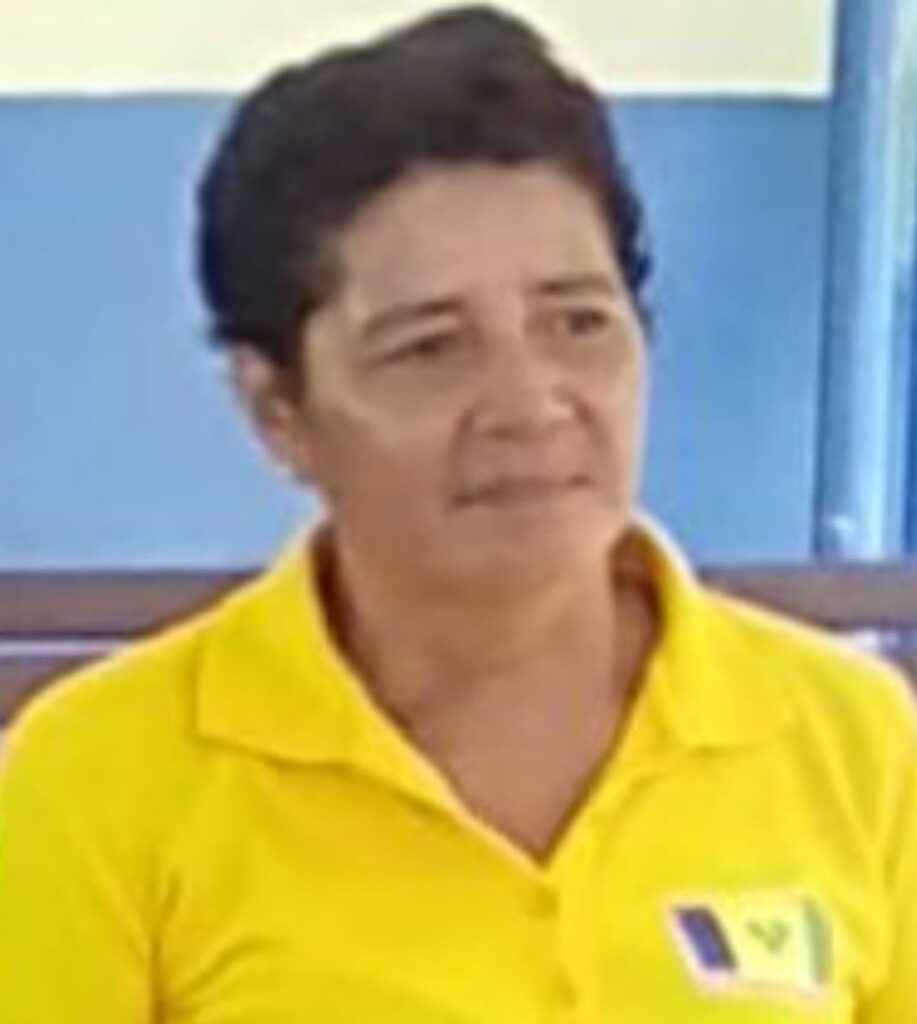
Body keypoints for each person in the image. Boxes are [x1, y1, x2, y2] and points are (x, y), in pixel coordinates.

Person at [0, 6, 915, 1021]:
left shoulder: (849, 740)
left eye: (578, 323)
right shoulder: (104, 778)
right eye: (430, 348)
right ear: (278, 411)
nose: (530, 405)